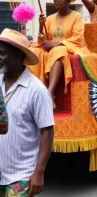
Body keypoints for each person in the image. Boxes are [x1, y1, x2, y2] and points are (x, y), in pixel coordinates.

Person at [0, 29, 54, 197]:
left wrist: (39, 172)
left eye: (2, 54)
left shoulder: (36, 90)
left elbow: (47, 131)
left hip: (21, 176)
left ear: (18, 55)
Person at [29, 0, 89, 108]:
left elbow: (78, 37)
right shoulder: (49, 18)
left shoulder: (77, 17)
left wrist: (57, 43)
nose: (58, 0)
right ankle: (37, 91)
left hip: (73, 48)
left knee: (58, 50)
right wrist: (41, 26)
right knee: (33, 51)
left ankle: (50, 93)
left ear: (68, 1)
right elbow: (42, 41)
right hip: (53, 49)